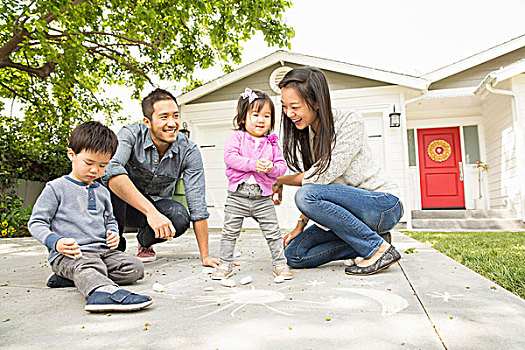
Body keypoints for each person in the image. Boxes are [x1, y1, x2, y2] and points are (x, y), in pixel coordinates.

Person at [272, 66, 403, 276]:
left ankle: (376, 249)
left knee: (305, 194)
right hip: (350, 215)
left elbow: (320, 177)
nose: (288, 114)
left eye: (294, 106)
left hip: (382, 206)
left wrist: (279, 180)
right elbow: (317, 185)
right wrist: (300, 225)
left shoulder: (350, 122)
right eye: (284, 107)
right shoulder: (310, 135)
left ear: (316, 101)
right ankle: (377, 240)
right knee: (295, 254)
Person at [28, 121, 152, 312]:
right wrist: (55, 242)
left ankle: (75, 277)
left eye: (103, 165)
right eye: (89, 163)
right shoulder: (56, 188)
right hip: (70, 254)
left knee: (134, 268)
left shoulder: (102, 191)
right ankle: (101, 293)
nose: (95, 170)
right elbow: (36, 222)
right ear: (72, 155)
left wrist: (112, 232)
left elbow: (110, 219)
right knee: (87, 264)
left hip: (101, 253)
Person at [100, 88, 218, 266]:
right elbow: (111, 170)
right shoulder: (130, 135)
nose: (172, 123)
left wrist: (206, 256)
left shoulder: (189, 151)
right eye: (164, 117)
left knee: (179, 217)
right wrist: (151, 213)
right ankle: (114, 247)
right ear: (147, 122)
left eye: (176, 116)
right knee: (109, 183)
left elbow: (197, 206)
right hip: (121, 206)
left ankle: (145, 241)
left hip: (156, 207)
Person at [212, 88, 292, 280]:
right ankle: (225, 263)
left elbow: (282, 167)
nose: (261, 120)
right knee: (229, 232)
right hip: (237, 196)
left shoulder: (272, 144)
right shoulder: (237, 138)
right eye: (255, 114)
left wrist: (271, 168)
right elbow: (231, 158)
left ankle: (280, 263)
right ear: (243, 118)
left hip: (262, 197)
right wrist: (254, 164)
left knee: (273, 232)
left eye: (267, 116)